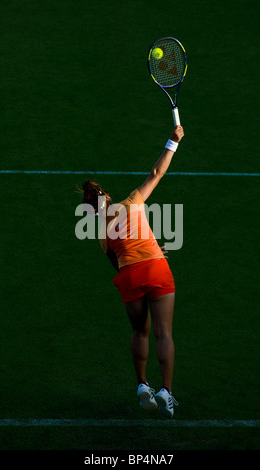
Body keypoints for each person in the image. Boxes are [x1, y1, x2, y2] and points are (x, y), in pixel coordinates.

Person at [80, 125, 184, 417]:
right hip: (157, 269)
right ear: (108, 197)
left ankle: (142, 386)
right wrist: (173, 141)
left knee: (140, 331)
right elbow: (156, 174)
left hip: (131, 277)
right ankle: (166, 391)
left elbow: (121, 262)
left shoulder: (102, 236)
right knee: (165, 334)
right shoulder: (133, 201)